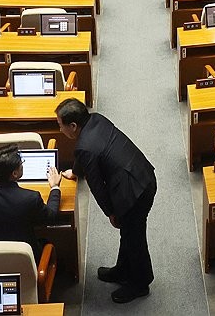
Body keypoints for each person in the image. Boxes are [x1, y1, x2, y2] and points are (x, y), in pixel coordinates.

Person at [55, 98, 156, 304]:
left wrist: (111, 212)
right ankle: (123, 270)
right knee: (128, 233)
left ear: (73, 126)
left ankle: (141, 284)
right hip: (141, 174)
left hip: (134, 193)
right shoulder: (96, 120)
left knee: (134, 237)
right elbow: (83, 154)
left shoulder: (85, 147)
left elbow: (97, 187)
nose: (59, 129)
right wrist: (74, 172)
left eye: (60, 124)